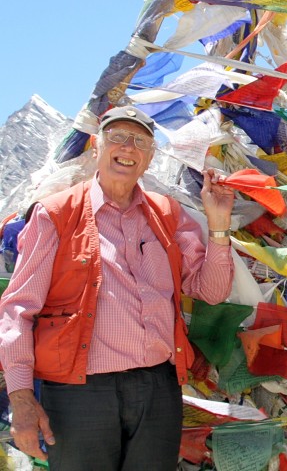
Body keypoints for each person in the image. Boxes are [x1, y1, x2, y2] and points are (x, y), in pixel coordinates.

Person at [0, 105, 236, 470]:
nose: (128, 148)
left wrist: (219, 223)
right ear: (96, 146)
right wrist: (20, 397)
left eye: (140, 142)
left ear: (150, 158)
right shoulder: (56, 214)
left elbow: (212, 291)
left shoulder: (167, 214)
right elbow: (18, 309)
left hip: (158, 389)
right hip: (79, 393)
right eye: (118, 137)